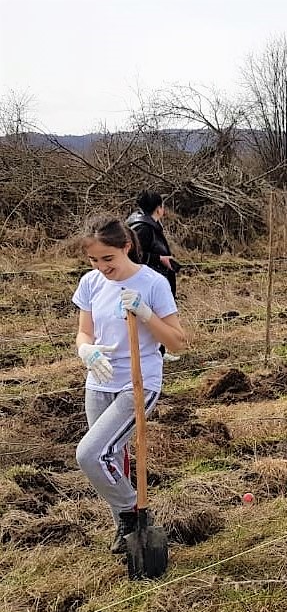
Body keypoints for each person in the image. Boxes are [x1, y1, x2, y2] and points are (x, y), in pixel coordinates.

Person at [73, 216, 187, 554]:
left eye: (108, 258)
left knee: (90, 454)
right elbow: (84, 332)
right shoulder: (90, 283)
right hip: (99, 381)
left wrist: (146, 313)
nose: (101, 267)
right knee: (111, 457)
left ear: (126, 247)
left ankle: (131, 512)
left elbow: (178, 342)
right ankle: (127, 532)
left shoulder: (153, 283)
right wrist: (85, 350)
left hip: (138, 383)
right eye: (94, 260)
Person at [127, 190, 181, 361]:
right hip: (148, 281)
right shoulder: (143, 227)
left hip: (155, 276)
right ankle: (155, 352)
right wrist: (159, 258)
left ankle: (160, 351)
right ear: (159, 209)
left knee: (158, 314)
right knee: (154, 315)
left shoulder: (146, 223)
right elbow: (132, 255)